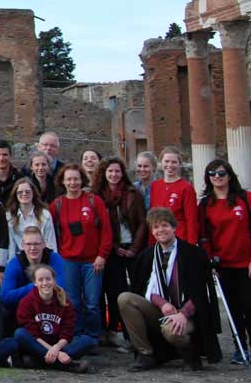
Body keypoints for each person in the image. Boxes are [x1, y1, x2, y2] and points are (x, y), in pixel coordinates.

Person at [119, 207, 219, 371]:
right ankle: (146, 353)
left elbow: (201, 292)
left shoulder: (193, 253)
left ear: (174, 227)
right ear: (152, 231)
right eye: (156, 227)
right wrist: (163, 304)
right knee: (125, 299)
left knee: (171, 330)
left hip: (189, 313)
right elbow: (146, 288)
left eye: (165, 225)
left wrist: (183, 313)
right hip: (162, 309)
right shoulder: (148, 255)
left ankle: (191, 355)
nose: (161, 230)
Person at [198, 158, 251, 365]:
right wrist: (210, 262)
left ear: (229, 175)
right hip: (223, 265)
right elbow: (204, 236)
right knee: (233, 307)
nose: (217, 177)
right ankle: (240, 348)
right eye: (212, 174)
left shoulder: (245, 199)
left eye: (221, 173)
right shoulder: (205, 204)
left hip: (248, 264)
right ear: (208, 178)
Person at [50, 163, 110, 342]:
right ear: (63, 181)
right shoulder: (57, 205)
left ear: (81, 179)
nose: (73, 182)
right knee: (73, 301)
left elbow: (106, 230)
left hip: (93, 261)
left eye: (76, 178)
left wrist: (102, 255)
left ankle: (93, 336)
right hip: (68, 260)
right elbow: (51, 232)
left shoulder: (93, 201)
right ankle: (76, 335)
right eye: (69, 179)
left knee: (92, 303)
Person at [94, 157, 147, 347]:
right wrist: (114, 247)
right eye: (110, 171)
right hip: (113, 250)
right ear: (104, 173)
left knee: (135, 291)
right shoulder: (98, 196)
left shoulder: (133, 192)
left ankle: (133, 335)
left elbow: (142, 222)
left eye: (117, 171)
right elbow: (102, 226)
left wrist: (134, 248)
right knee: (115, 291)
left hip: (132, 247)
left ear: (122, 173)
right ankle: (113, 330)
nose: (114, 175)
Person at [13, 264, 93, 372]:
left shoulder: (64, 301)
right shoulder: (26, 303)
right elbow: (33, 334)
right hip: (39, 344)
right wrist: (56, 353)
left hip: (59, 345)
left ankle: (39, 362)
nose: (45, 283)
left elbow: (67, 332)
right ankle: (69, 365)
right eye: (40, 280)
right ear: (34, 283)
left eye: (48, 279)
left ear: (54, 280)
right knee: (20, 334)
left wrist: (56, 348)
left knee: (87, 341)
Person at [150, 146, 198, 245]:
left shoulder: (186, 187)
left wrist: (191, 245)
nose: (170, 165)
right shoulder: (155, 185)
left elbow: (191, 219)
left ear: (180, 164)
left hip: (179, 238)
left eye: (174, 162)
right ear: (161, 163)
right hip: (159, 238)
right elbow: (152, 217)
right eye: (166, 161)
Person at [4, 177, 57, 262]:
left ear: (33, 193)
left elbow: (51, 243)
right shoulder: (9, 216)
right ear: (15, 195)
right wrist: (11, 265)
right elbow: (12, 246)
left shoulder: (44, 215)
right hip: (20, 260)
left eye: (28, 192)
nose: (24, 194)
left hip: (42, 258)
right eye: (20, 192)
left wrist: (53, 262)